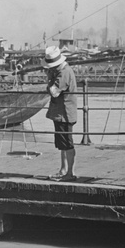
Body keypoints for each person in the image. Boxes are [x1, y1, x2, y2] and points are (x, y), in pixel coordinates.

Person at [43, 46, 78, 181]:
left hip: (65, 113)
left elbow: (54, 91)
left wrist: (49, 78)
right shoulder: (62, 71)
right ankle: (63, 170)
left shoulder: (63, 73)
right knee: (62, 144)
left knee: (67, 144)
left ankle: (70, 173)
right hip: (61, 113)